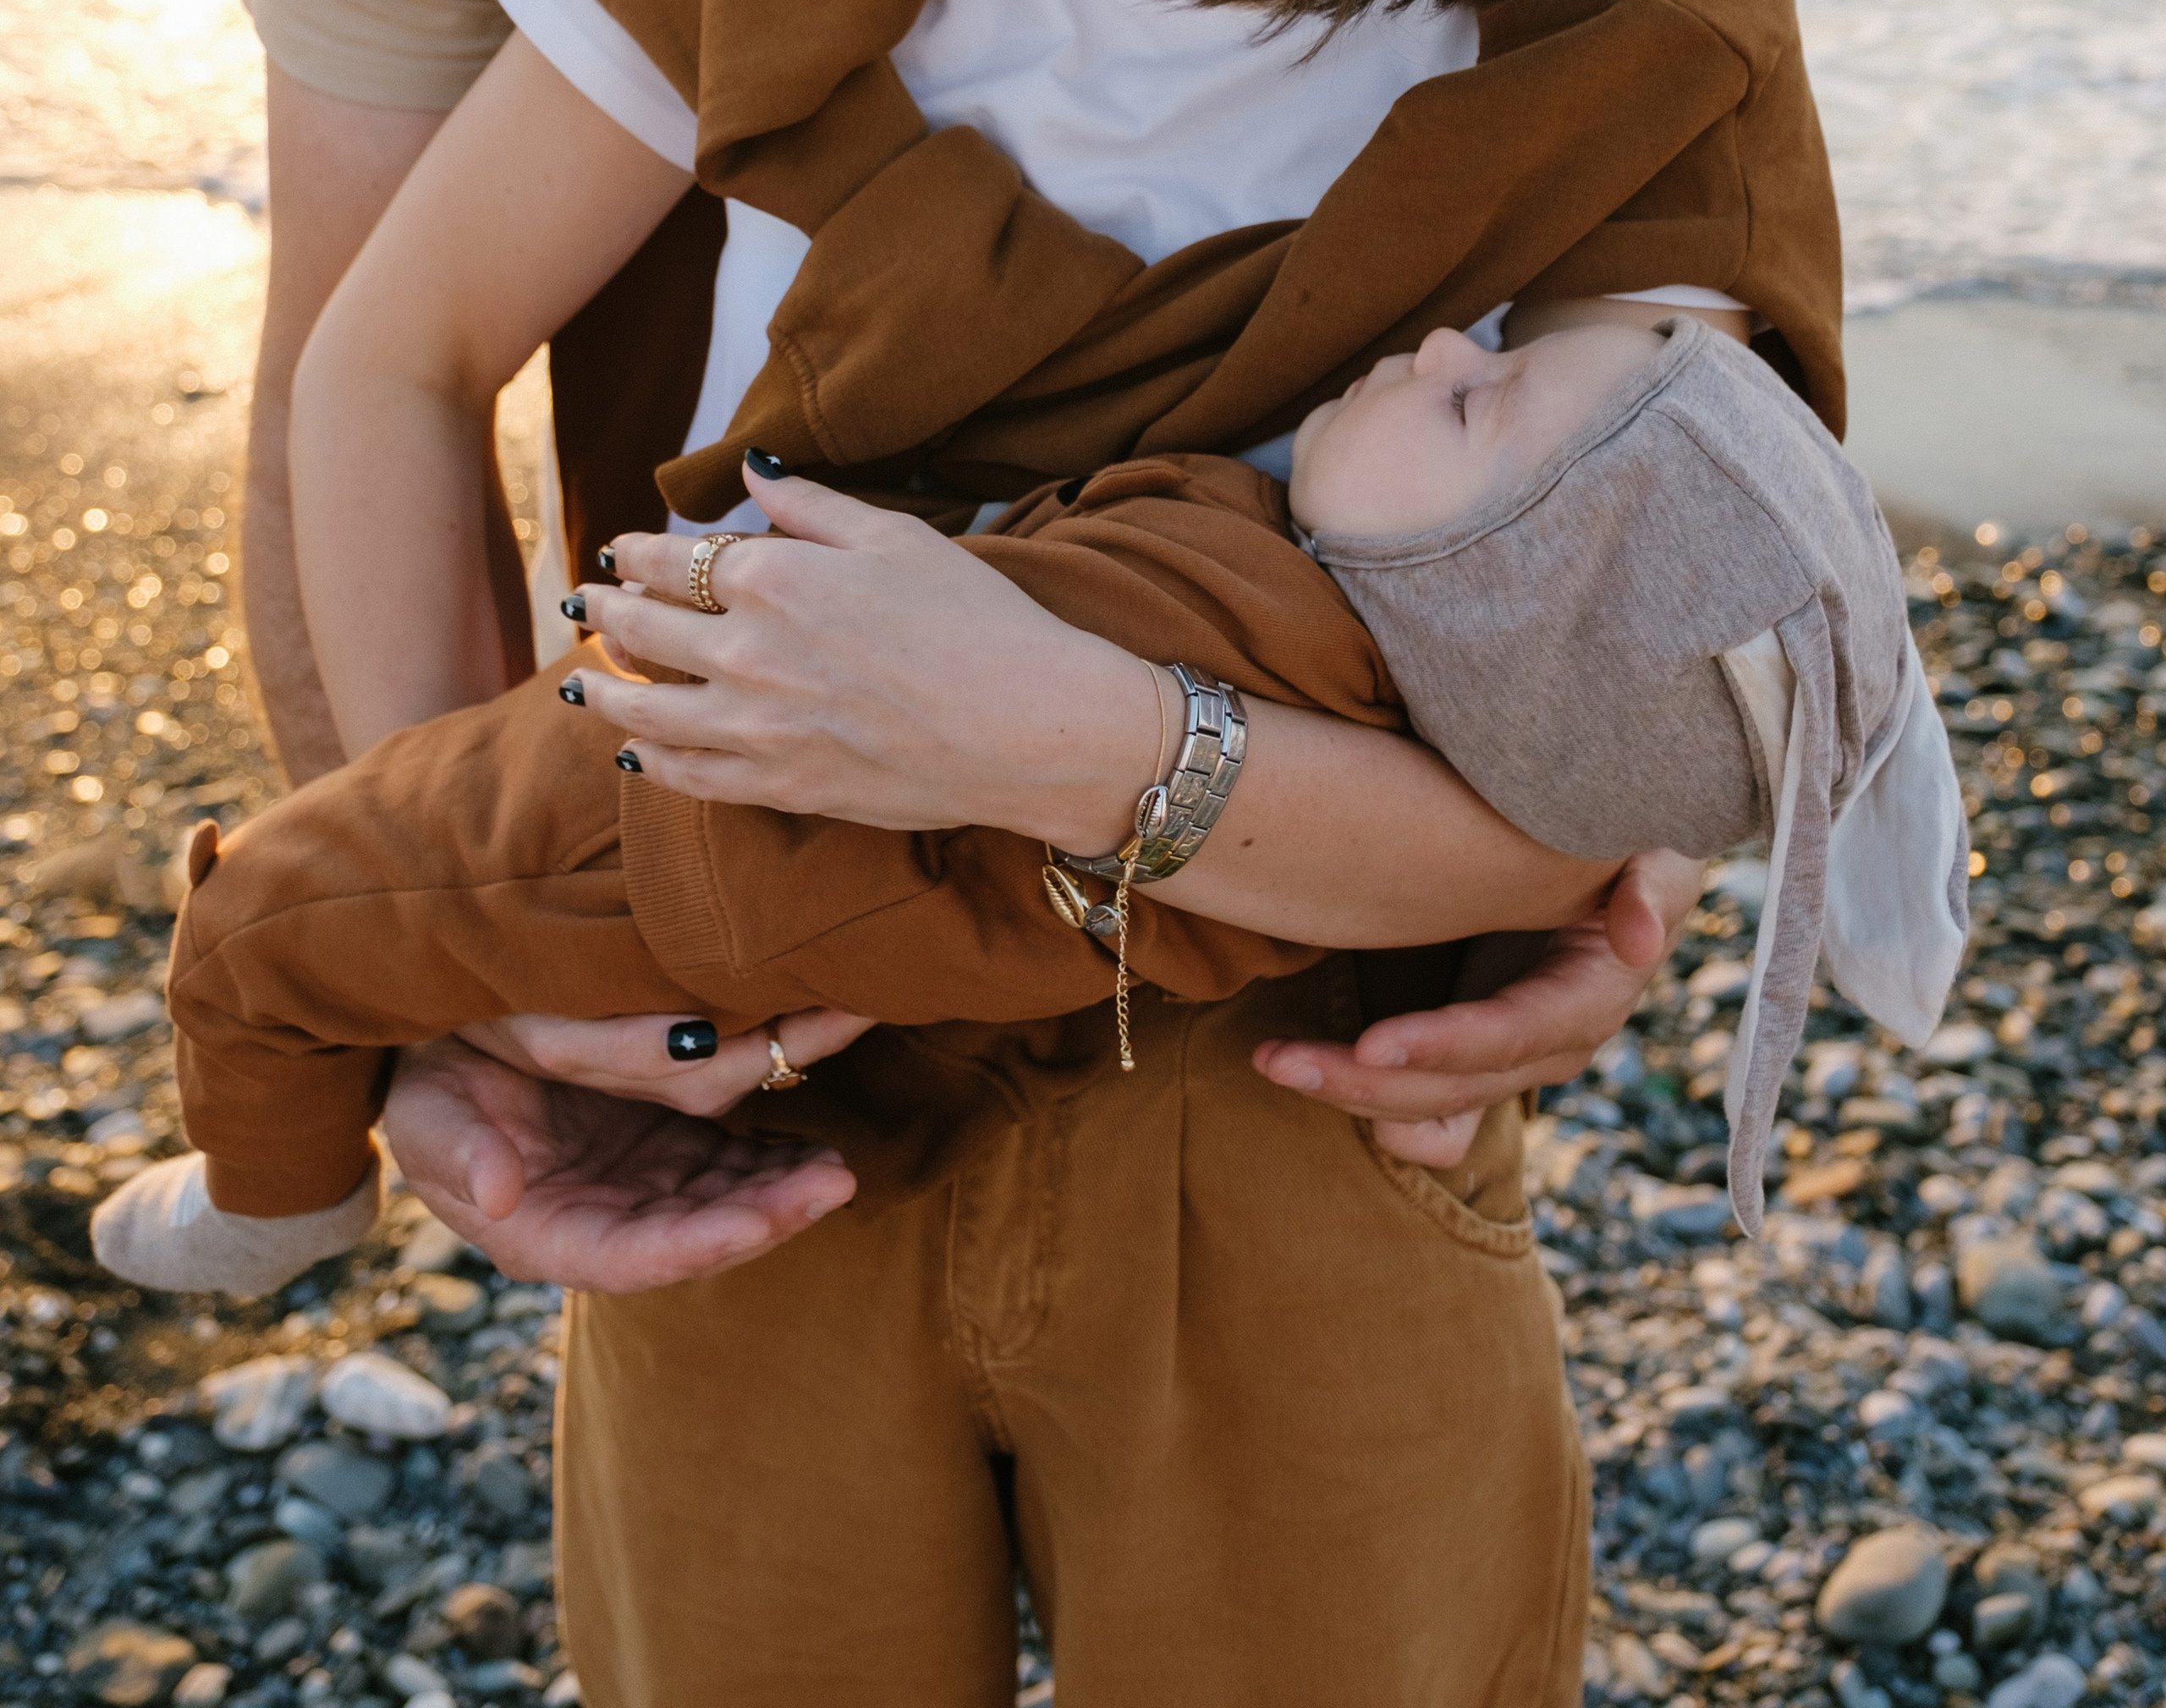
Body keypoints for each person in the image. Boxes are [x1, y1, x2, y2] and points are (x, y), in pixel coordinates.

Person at [281, 0, 1847, 1705]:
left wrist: (1049, 731)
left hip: (1289, 1151)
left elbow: (1589, 811)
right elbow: (382, 356)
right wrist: (482, 958)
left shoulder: (1643, 31)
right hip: (760, 1118)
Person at [96, 316, 1964, 1306]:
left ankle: (274, 1200)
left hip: (664, 813)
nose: (1445, 347)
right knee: (344, 900)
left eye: (1478, 411)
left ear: (1489, 603)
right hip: (699, 801)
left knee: (262, 922)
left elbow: (955, 717)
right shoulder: (1321, 659)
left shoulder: (1256, 629)